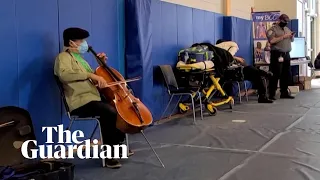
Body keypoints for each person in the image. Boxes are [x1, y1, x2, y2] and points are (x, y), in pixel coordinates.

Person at [54, 27, 133, 169]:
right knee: (108, 111)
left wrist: (101, 63)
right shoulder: (63, 58)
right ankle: (110, 156)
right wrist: (90, 75)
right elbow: (64, 75)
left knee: (117, 108)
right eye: (82, 40)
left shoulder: (81, 60)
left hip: (93, 98)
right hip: (80, 101)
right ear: (72, 43)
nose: (85, 43)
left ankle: (118, 146)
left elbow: (96, 78)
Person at [266, 14, 295, 100]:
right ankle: (271, 93)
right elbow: (271, 40)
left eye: (286, 22)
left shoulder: (287, 29)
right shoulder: (273, 29)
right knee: (275, 74)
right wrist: (283, 37)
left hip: (286, 54)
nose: (285, 23)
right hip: (277, 54)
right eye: (283, 22)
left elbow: (291, 40)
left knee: (286, 74)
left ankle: (284, 92)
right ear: (279, 20)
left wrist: (291, 36)